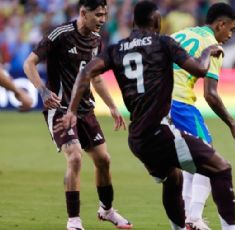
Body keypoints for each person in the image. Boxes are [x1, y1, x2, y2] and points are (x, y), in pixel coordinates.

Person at [59, 1, 235, 230]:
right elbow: (200, 69)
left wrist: (72, 110)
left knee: (173, 179)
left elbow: (85, 72)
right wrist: (207, 52)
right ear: (155, 20)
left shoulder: (116, 49)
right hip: (161, 131)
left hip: (137, 139)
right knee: (221, 168)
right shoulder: (163, 43)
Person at [23, 0, 132, 229]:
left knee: (104, 160)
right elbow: (29, 63)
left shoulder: (96, 40)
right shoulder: (60, 34)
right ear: (83, 13)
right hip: (59, 109)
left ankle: (107, 210)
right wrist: (43, 91)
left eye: (105, 14)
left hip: (85, 109)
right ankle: (74, 221)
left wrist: (112, 106)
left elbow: (96, 77)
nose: (103, 20)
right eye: (98, 15)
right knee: (74, 157)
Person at [170, 3, 235, 230]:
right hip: (179, 103)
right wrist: (233, 125)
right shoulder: (213, 45)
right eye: (231, 29)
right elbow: (211, 95)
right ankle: (193, 218)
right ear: (220, 24)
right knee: (209, 159)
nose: (230, 35)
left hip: (155, 102)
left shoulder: (181, 34)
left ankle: (188, 217)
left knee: (192, 159)